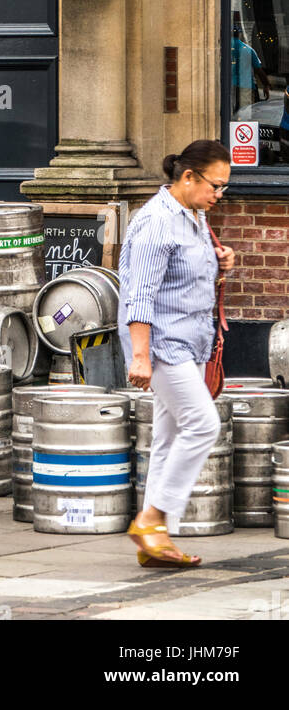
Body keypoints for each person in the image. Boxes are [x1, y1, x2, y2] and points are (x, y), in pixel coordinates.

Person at [119, 139, 235, 568]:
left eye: (224, 187)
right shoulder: (156, 222)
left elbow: (190, 276)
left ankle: (155, 540)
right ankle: (153, 517)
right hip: (163, 342)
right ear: (188, 177)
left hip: (189, 341)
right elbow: (141, 294)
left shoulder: (194, 216)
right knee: (202, 424)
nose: (218, 195)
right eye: (215, 186)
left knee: (169, 437)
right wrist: (140, 355)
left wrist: (222, 263)